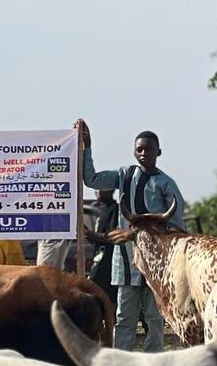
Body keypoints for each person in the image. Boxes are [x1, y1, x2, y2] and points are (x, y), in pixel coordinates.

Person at [77, 119, 184, 351]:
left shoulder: (166, 184)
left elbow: (175, 227)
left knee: (154, 319)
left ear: (159, 151)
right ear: (134, 152)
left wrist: (133, 234)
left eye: (149, 149)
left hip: (156, 264)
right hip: (125, 262)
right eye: (139, 149)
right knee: (124, 317)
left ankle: (154, 362)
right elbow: (91, 180)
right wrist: (87, 146)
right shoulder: (125, 175)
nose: (144, 153)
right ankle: (123, 363)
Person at [83, 188, 119, 308]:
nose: (98, 192)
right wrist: (86, 234)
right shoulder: (100, 209)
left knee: (106, 292)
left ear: (111, 190)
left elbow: (112, 236)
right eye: (96, 189)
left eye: (101, 189)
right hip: (99, 255)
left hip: (108, 258)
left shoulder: (114, 209)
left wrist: (90, 234)